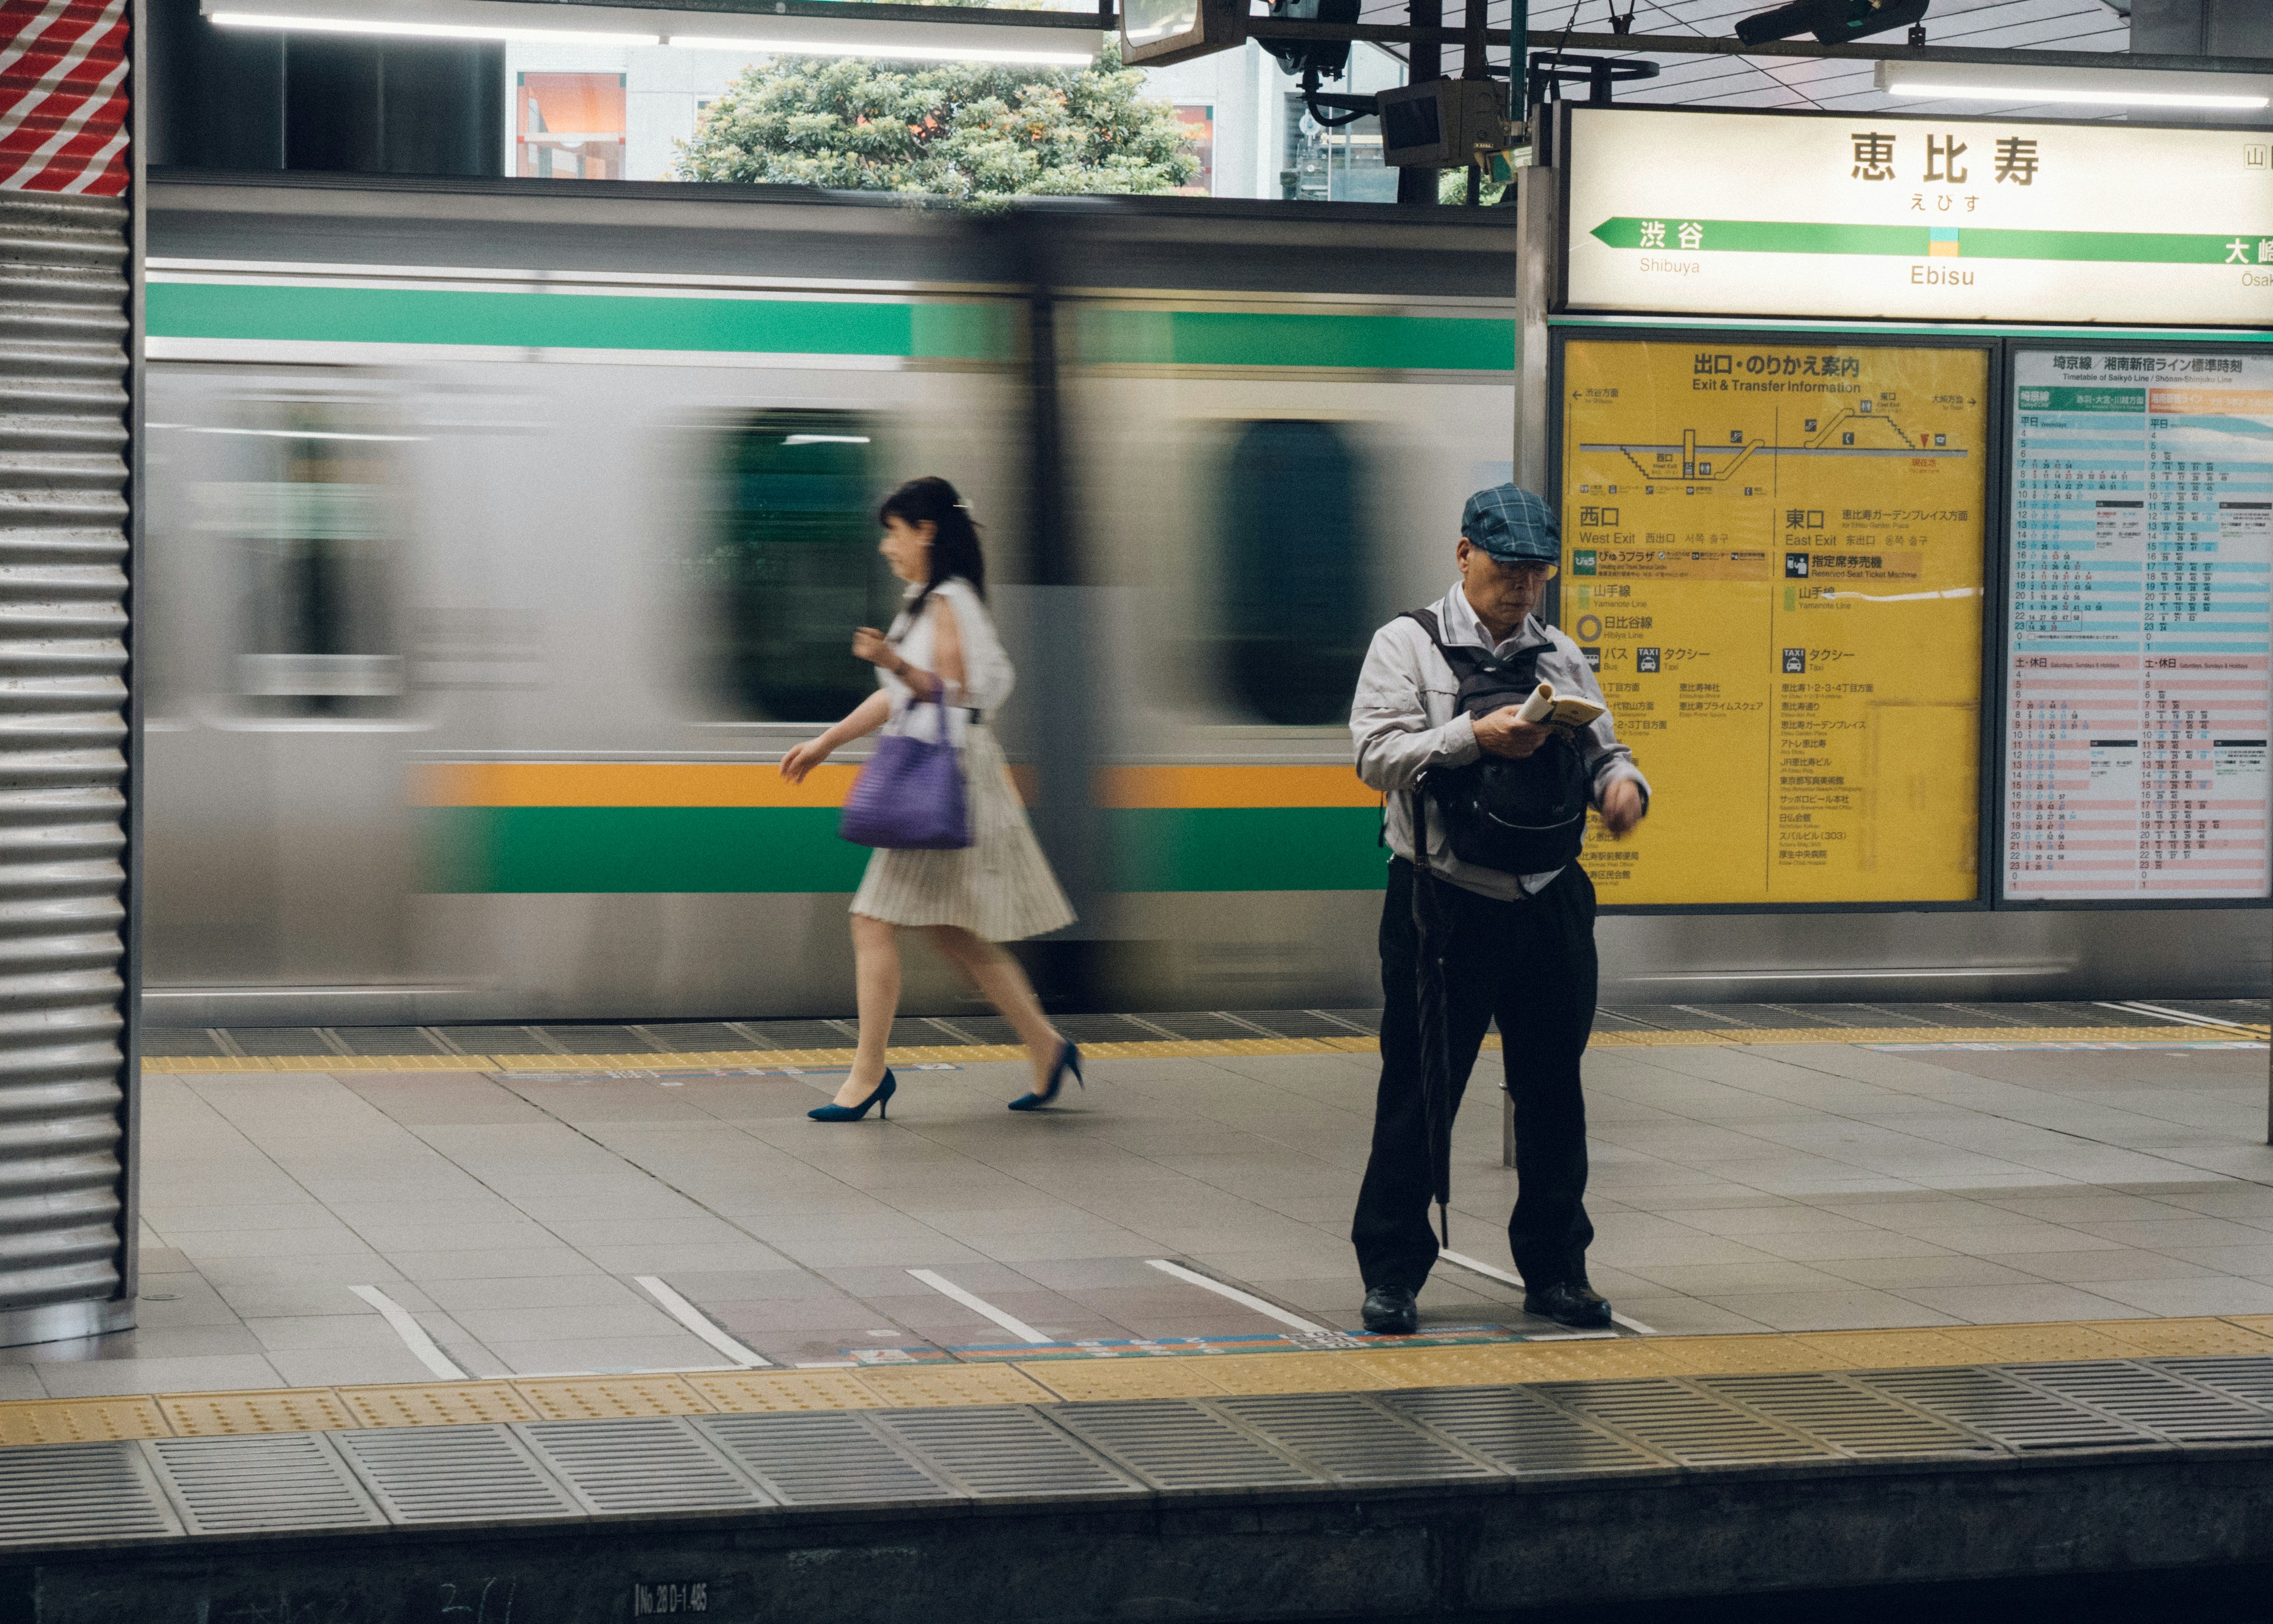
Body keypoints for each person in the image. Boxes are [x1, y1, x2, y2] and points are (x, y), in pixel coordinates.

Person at [1347, 483, 1650, 1333]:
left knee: (1553, 1091)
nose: (1521, 588)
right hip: (1441, 903)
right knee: (1419, 1090)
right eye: (1507, 570)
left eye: (1536, 573)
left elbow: (1606, 749)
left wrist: (1622, 785)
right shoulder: (1405, 645)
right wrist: (1469, 737)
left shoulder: (1559, 653)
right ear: (1463, 555)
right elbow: (1373, 757)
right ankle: (1393, 1272)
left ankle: (1557, 1270)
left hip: (1550, 901)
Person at [779, 476, 1079, 1122]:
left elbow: (947, 689)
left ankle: (868, 1074)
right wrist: (827, 741)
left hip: (949, 777)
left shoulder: (946, 599)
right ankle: (1046, 1046)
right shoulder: (926, 599)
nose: (888, 546)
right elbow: (898, 695)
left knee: (872, 920)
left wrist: (890, 657)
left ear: (927, 532)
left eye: (894, 531)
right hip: (954, 772)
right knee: (952, 931)